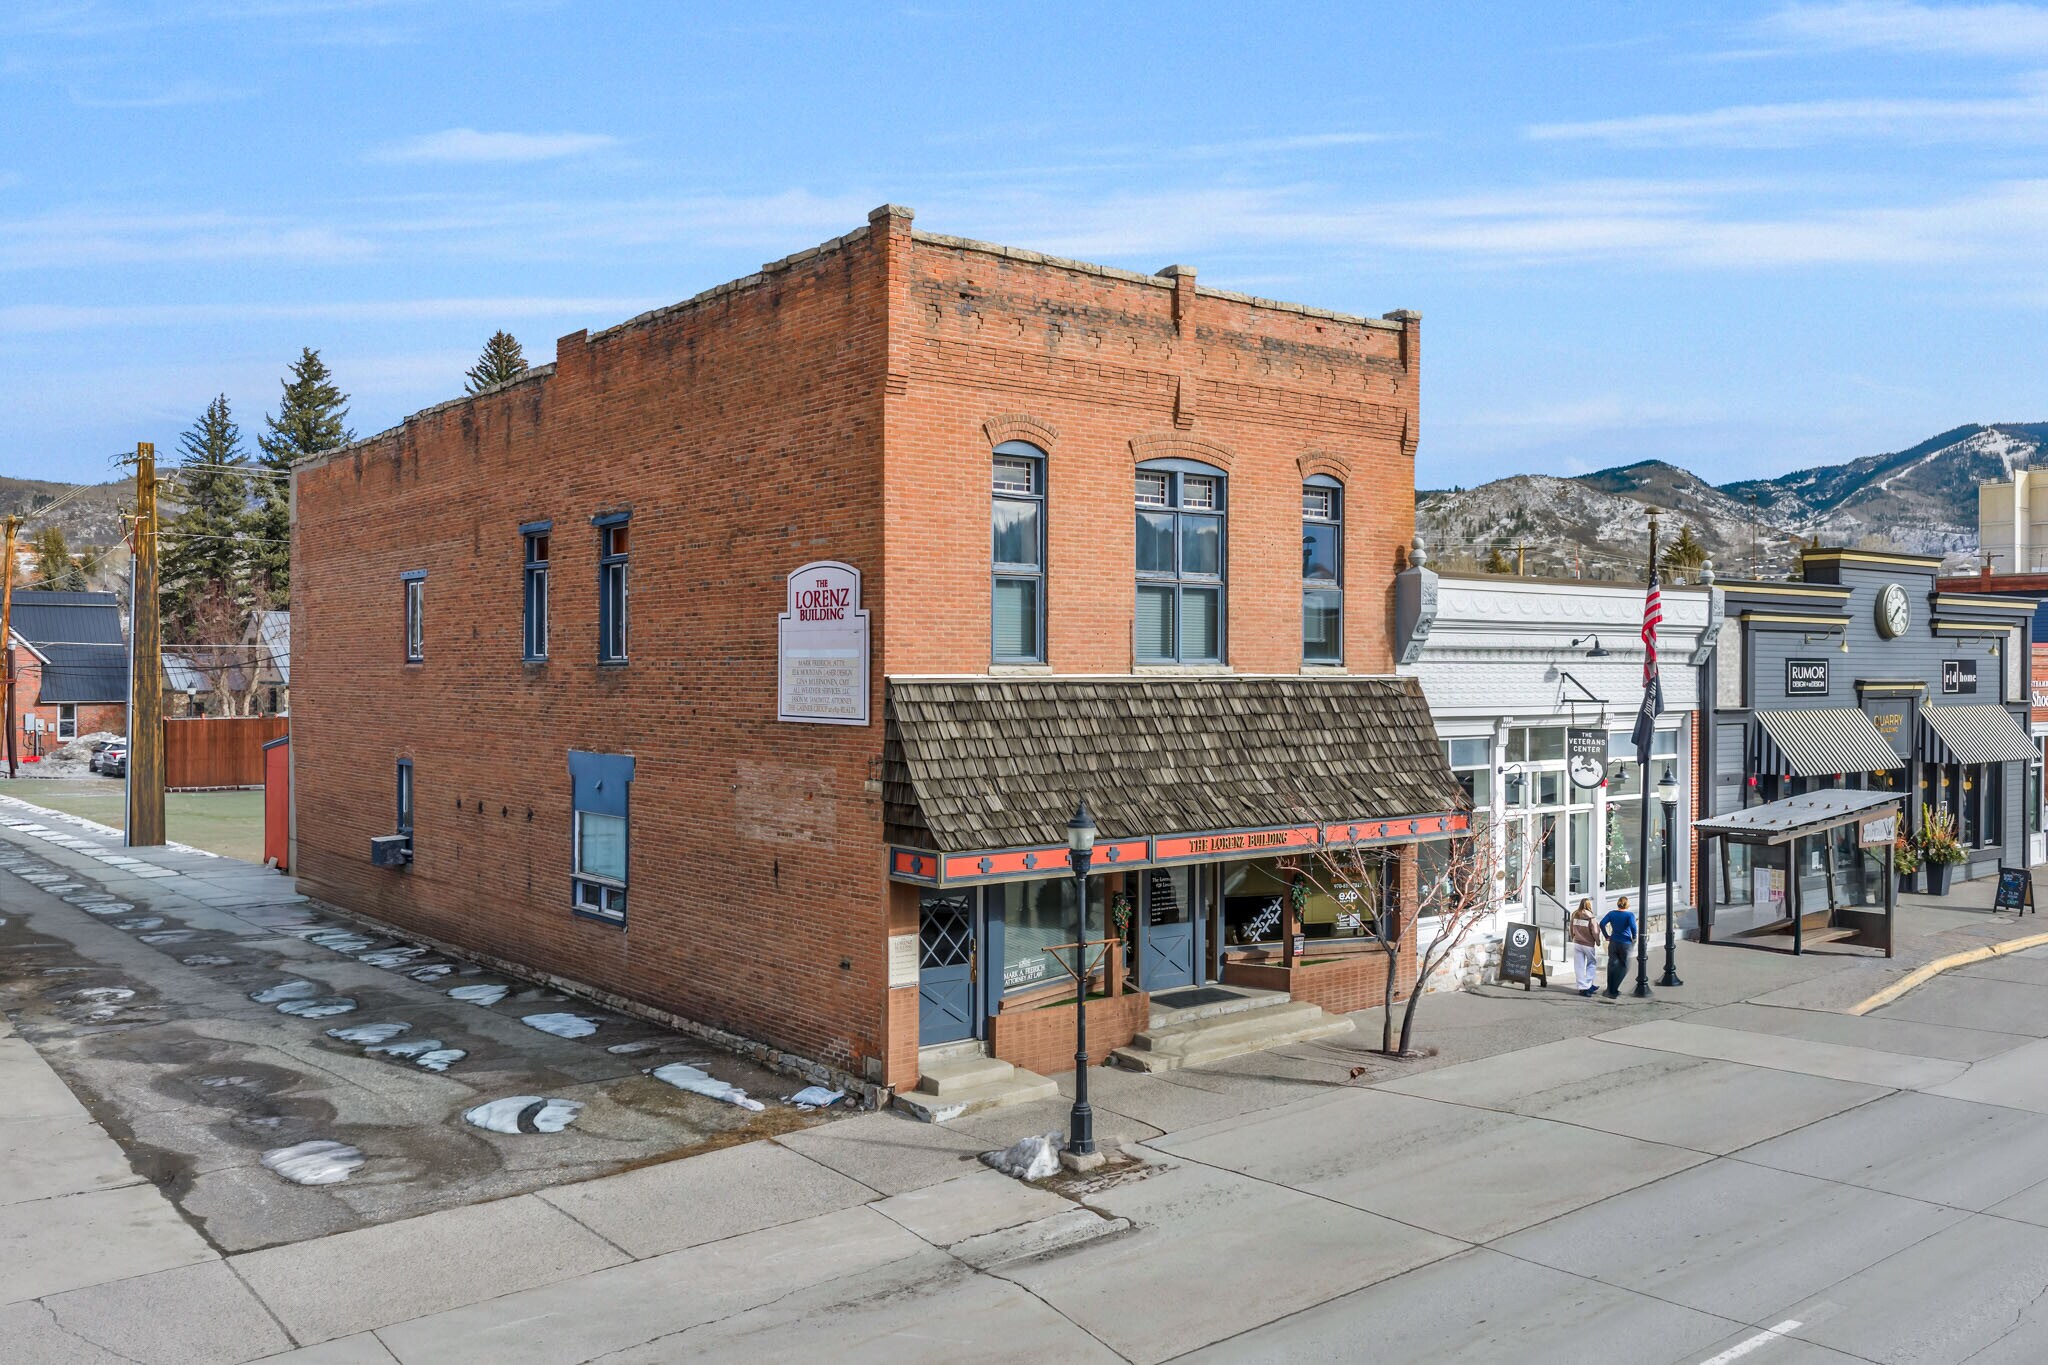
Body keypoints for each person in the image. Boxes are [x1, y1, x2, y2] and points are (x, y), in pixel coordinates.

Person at [1599, 895, 1636, 999]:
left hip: (1613, 942)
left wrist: (1606, 936)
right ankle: (1614, 990)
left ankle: (1609, 989)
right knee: (1625, 966)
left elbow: (1602, 924)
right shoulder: (1630, 915)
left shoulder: (1612, 914)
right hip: (1625, 944)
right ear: (1627, 904)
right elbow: (1633, 927)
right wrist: (1635, 937)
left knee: (1612, 965)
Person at [1569, 899, 1600, 997]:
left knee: (1579, 966)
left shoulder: (1574, 914)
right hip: (1588, 944)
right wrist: (1598, 941)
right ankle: (1587, 985)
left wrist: (1572, 937)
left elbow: (1570, 927)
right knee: (1591, 963)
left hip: (1577, 943)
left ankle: (1582, 986)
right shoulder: (1591, 917)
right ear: (1589, 905)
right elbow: (1595, 931)